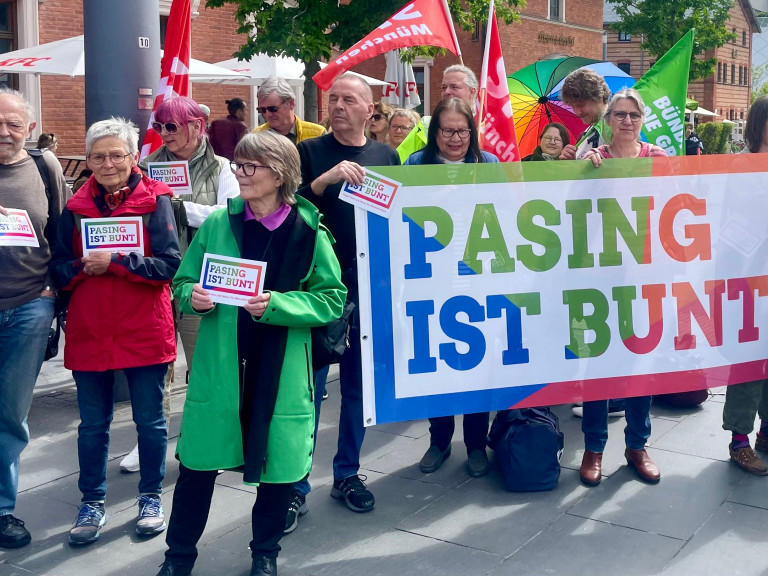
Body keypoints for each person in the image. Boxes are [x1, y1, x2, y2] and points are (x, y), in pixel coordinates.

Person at [155, 131, 346, 576]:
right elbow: (181, 284)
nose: (239, 174)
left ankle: (265, 554)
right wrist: (193, 298)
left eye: (249, 167)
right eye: (238, 165)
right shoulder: (221, 224)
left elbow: (332, 299)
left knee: (278, 471)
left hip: (280, 369)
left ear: (278, 174)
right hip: (222, 367)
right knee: (198, 467)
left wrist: (279, 305)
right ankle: (177, 558)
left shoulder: (309, 230)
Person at [50, 117, 181, 545]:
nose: (107, 163)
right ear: (87, 160)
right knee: (92, 425)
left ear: (133, 157)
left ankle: (150, 497)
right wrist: (79, 269)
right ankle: (92, 501)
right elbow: (57, 268)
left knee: (150, 421)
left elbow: (169, 265)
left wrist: (118, 262)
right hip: (91, 328)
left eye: (116, 155)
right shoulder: (72, 210)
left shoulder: (158, 200)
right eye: (98, 156)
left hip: (144, 325)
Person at [285, 74, 399, 532]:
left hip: (367, 287)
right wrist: (324, 181)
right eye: (333, 99)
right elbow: (285, 211)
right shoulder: (308, 153)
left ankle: (347, 473)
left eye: (348, 100)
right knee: (307, 392)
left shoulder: (386, 156)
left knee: (356, 389)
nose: (337, 106)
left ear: (369, 110)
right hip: (317, 290)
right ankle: (294, 485)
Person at [126, 96, 239, 474]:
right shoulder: (144, 168)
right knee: (154, 366)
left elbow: (228, 215)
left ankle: (211, 438)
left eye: (171, 126)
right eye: (159, 127)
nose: (164, 134)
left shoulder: (223, 168)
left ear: (196, 126)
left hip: (200, 282)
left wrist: (176, 205)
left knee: (204, 363)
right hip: (154, 280)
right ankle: (149, 440)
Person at [403, 97, 498, 476]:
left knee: (477, 363)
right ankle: (439, 440)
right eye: (447, 130)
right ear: (434, 133)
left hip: (477, 276)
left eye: (463, 130)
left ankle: (476, 443)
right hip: (430, 279)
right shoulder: (416, 164)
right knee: (436, 361)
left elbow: (504, 211)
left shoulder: (487, 163)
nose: (456, 138)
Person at [577, 89, 666, 487]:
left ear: (642, 119)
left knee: (639, 363)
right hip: (601, 278)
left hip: (646, 276)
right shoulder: (592, 160)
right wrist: (581, 170)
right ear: (607, 120)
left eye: (633, 115)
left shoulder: (660, 160)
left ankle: (637, 445)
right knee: (599, 362)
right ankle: (594, 447)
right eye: (619, 115)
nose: (627, 121)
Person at [0, 88, 68, 550]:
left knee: (10, 414)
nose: (3, 132)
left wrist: (52, 290)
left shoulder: (46, 167)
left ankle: (3, 509)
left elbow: (63, 233)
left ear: (28, 126)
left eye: (12, 124)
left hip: (28, 306)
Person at [719, 95, 768, 476]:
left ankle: (767, 431)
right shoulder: (740, 164)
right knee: (749, 360)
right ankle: (739, 439)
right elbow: (741, 220)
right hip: (749, 279)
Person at [396, 64, 479, 162]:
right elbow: (400, 162)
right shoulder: (425, 125)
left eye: (454, 87)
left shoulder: (489, 128)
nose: (447, 91)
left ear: (472, 92)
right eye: (444, 87)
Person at [559, 68, 611, 160]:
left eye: (581, 105)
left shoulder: (619, 127)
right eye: (573, 106)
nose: (577, 112)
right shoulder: (586, 134)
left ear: (599, 97)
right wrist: (572, 163)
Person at [253, 77, 325, 144]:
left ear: (291, 103)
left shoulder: (318, 135)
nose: (267, 114)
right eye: (262, 110)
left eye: (273, 108)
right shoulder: (255, 138)